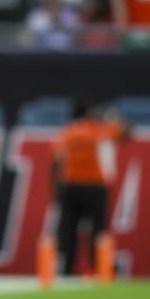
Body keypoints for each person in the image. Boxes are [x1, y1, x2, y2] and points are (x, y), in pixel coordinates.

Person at [51, 99, 128, 275]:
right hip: (95, 186)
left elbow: (56, 162)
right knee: (98, 230)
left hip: (70, 186)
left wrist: (56, 189)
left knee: (68, 230)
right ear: (88, 112)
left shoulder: (65, 134)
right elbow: (126, 131)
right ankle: (98, 268)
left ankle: (67, 270)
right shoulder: (99, 130)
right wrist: (113, 118)